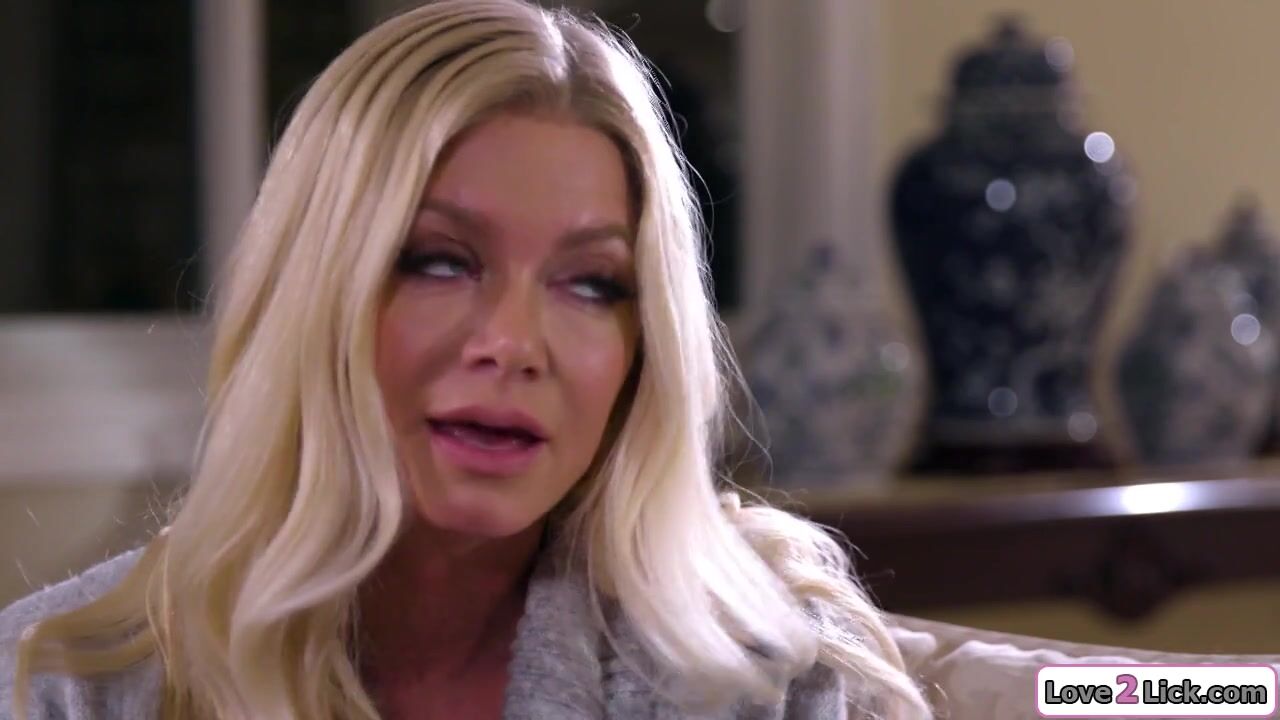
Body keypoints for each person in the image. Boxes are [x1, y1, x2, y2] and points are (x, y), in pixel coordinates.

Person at [0, 1, 932, 718]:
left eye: (592, 284)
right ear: (314, 297)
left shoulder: (767, 671)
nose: (515, 345)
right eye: (440, 263)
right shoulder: (62, 683)